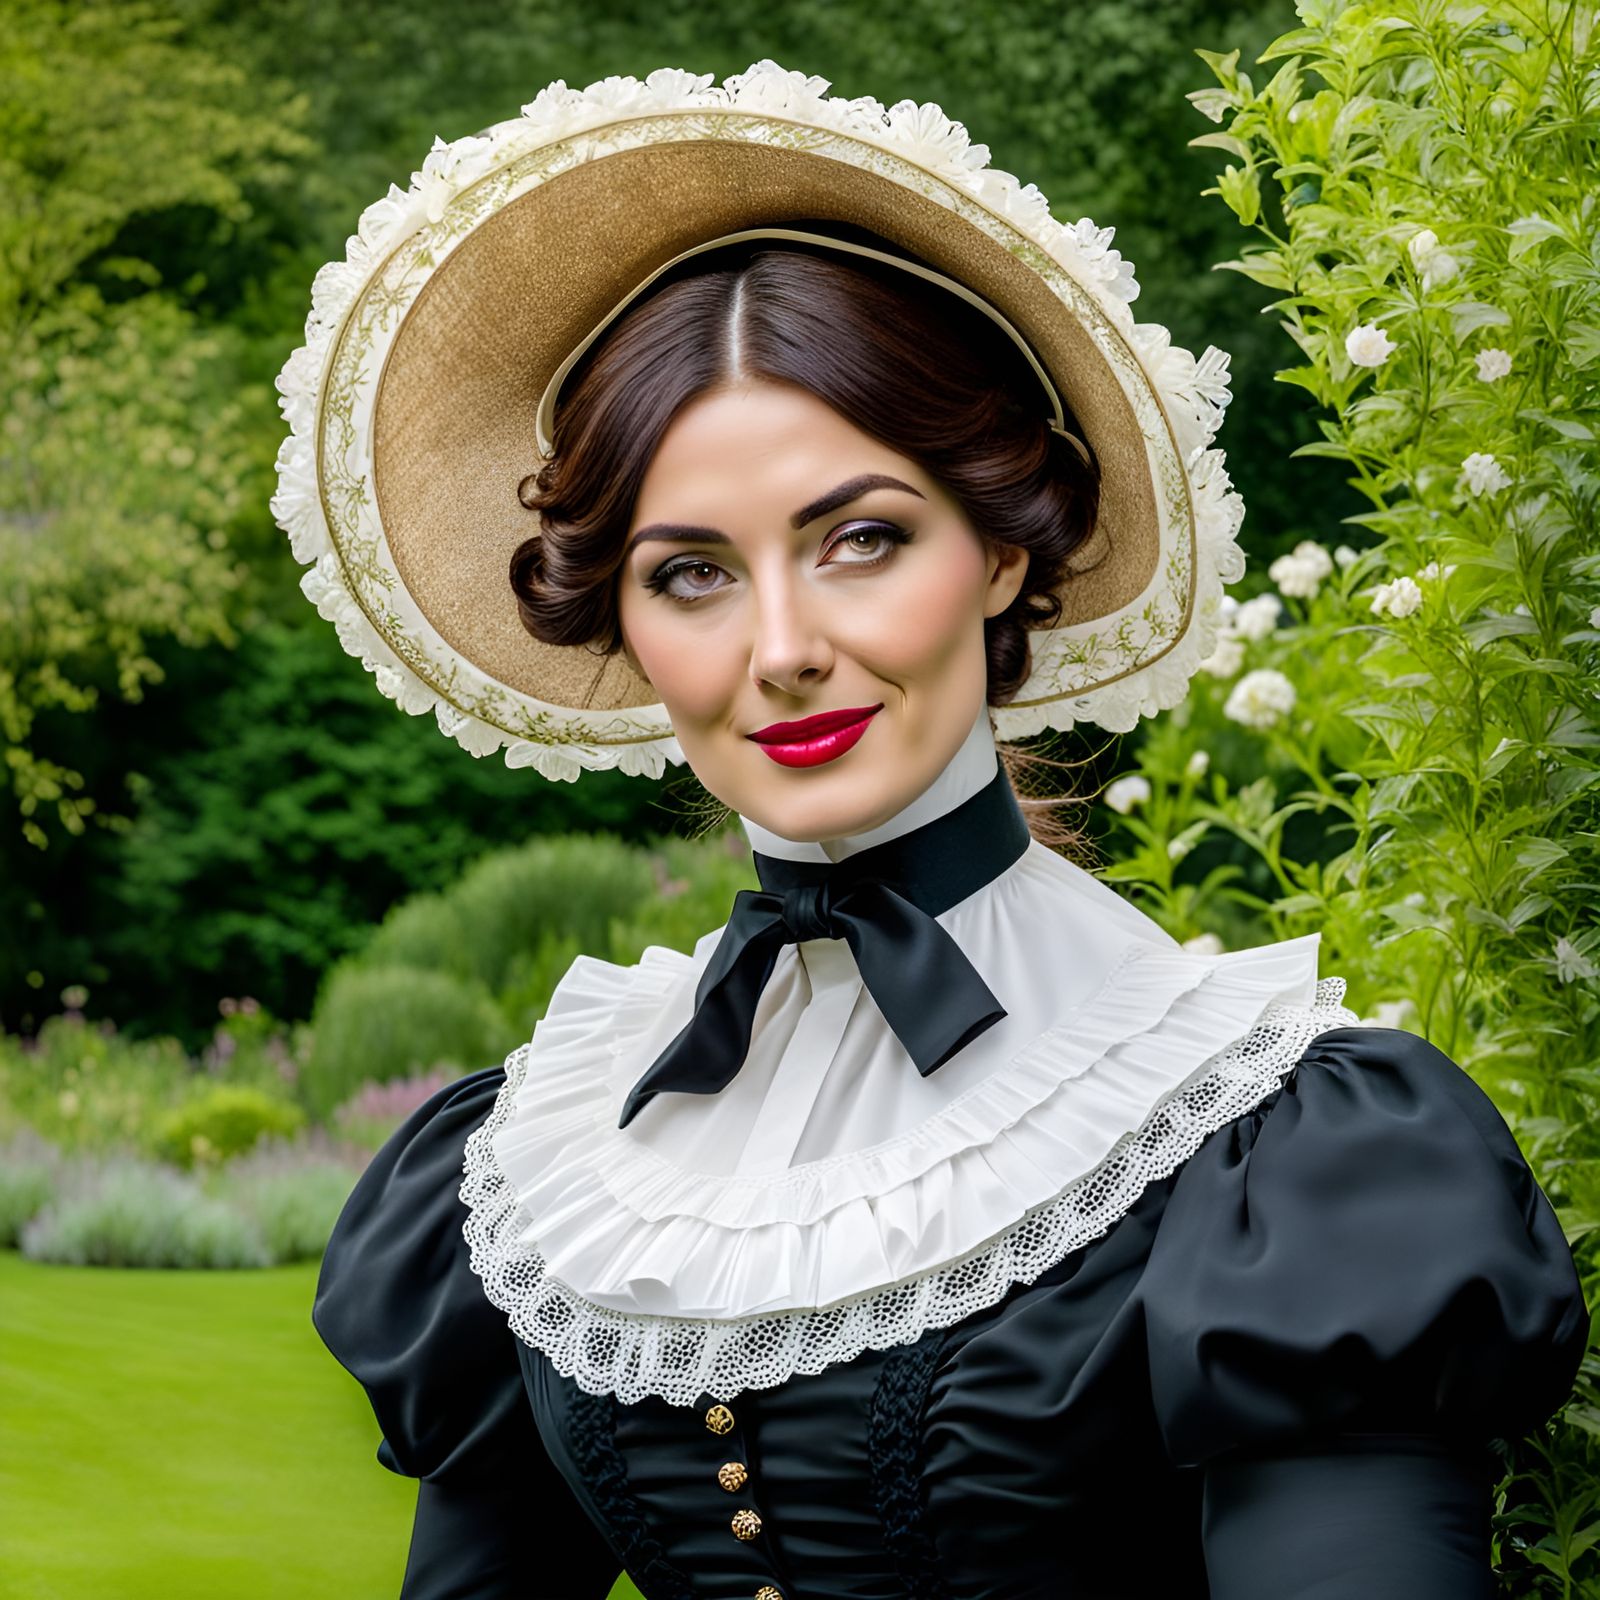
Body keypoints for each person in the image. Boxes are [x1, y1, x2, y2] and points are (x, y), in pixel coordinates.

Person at [278, 61, 1589, 1599]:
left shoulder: (1273, 1141)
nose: (782, 647)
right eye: (691, 572)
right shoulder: (541, 1159)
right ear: (622, 620)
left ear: (1004, 553)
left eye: (861, 540)